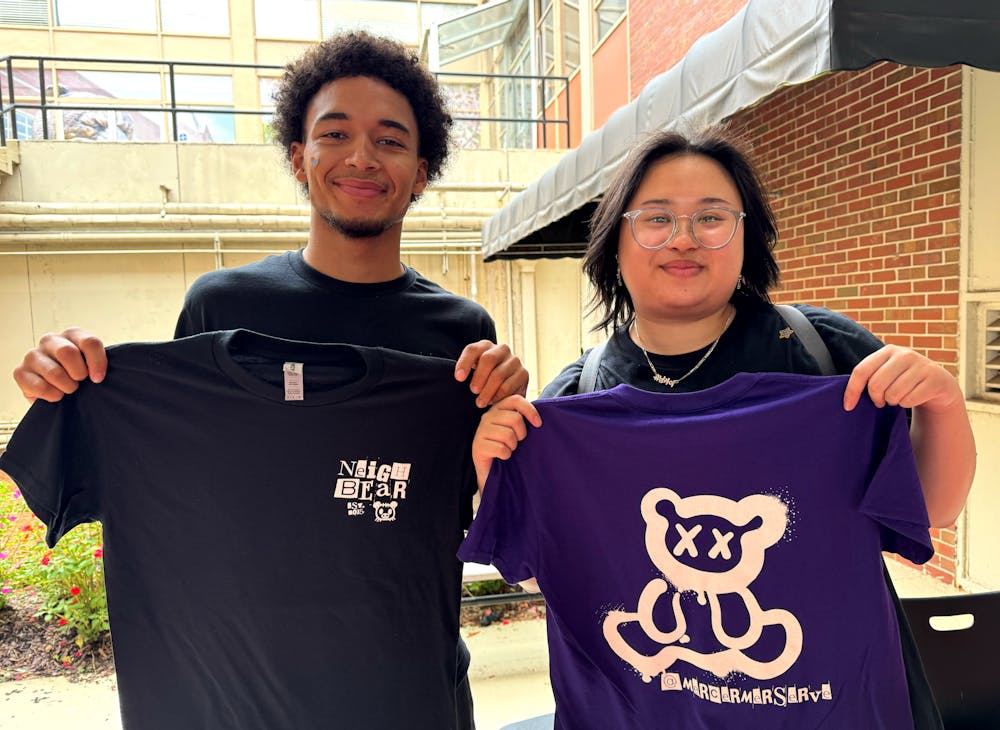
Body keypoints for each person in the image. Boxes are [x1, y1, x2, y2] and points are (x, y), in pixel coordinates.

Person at [11, 31, 527, 729]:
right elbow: (191, 490)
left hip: (409, 698)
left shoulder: (460, 332)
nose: (360, 157)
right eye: (334, 133)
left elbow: (467, 519)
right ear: (298, 155)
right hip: (228, 701)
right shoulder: (220, 306)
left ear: (423, 168)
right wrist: (69, 379)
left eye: (391, 140)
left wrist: (501, 432)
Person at [468, 126, 976, 729]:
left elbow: (935, 508)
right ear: (615, 241)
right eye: (655, 219)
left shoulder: (823, 355)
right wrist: (491, 470)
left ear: (746, 237)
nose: (683, 239)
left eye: (712, 218)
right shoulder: (576, 399)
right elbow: (539, 566)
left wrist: (944, 403)